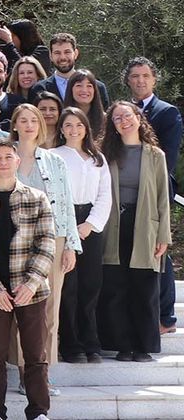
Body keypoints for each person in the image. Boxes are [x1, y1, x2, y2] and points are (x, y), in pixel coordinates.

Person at [0, 139, 57, 420]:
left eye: (8, 157)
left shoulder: (37, 198)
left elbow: (47, 243)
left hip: (31, 290)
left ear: (17, 161)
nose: (3, 162)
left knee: (35, 354)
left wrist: (31, 283)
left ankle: (38, 411)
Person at [99, 100, 172, 362]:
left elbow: (163, 197)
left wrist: (163, 235)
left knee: (144, 288)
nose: (124, 121)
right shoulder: (105, 154)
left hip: (145, 226)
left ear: (139, 118)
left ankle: (143, 346)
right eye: (117, 118)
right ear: (112, 125)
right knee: (116, 286)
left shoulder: (155, 155)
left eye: (127, 116)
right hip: (112, 225)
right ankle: (123, 345)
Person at [8, 102, 80, 367]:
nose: (29, 125)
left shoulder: (54, 161)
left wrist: (70, 245)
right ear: (15, 125)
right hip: (14, 240)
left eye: (33, 120)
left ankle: (43, 371)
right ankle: (23, 369)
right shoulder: (4, 157)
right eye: (23, 120)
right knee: (18, 303)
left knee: (50, 306)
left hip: (52, 240)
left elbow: (67, 203)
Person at [124, 57, 181, 334]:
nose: (140, 81)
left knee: (159, 250)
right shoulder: (123, 112)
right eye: (135, 76)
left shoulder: (166, 112)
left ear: (154, 79)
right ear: (128, 80)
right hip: (126, 193)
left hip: (156, 191)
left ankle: (166, 317)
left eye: (145, 76)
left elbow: (168, 159)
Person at [51, 107, 110, 363]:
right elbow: (54, 194)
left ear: (86, 128)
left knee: (90, 284)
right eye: (68, 125)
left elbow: (105, 195)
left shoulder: (98, 158)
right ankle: (71, 344)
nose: (74, 130)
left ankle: (91, 342)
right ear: (61, 129)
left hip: (90, 224)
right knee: (69, 286)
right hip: (65, 221)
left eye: (79, 125)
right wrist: (70, 229)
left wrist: (90, 224)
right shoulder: (54, 156)